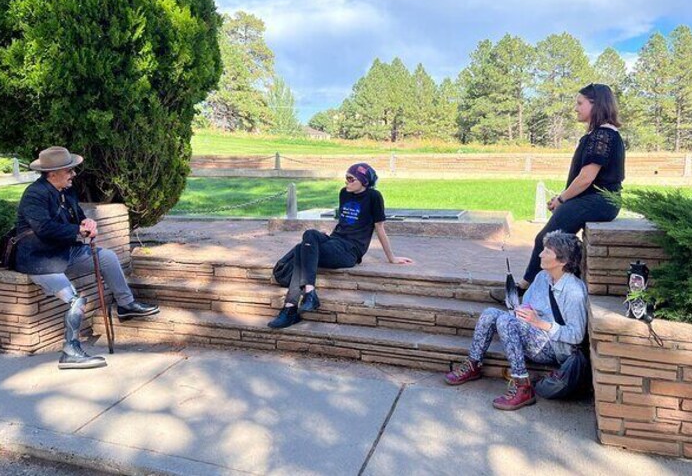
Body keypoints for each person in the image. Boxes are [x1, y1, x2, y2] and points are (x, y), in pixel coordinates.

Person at [15, 146, 159, 370]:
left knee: (108, 257)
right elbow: (43, 228)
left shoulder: (67, 190)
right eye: (69, 170)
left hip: (65, 253)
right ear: (52, 173)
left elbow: (79, 217)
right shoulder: (35, 194)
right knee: (76, 301)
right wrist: (77, 232)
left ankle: (126, 305)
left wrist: (87, 224)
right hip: (41, 260)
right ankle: (70, 352)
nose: (73, 174)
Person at [445, 231, 587, 410]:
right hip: (535, 334)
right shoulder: (542, 277)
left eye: (547, 252)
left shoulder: (574, 291)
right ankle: (473, 364)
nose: (540, 254)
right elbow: (528, 302)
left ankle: (523, 386)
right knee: (490, 313)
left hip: (557, 348)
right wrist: (521, 309)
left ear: (563, 261)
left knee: (506, 322)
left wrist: (539, 323)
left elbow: (577, 335)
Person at [267, 163, 414, 329]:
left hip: (350, 250)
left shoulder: (374, 197)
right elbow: (343, 223)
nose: (347, 182)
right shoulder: (344, 193)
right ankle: (309, 292)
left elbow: (379, 228)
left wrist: (392, 258)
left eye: (351, 179)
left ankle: (290, 309)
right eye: (346, 178)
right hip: (334, 241)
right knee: (309, 235)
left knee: (303, 248)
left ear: (364, 181)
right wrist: (324, 241)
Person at [520, 82, 625, 289]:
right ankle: (554, 286)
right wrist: (561, 198)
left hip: (600, 201)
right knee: (560, 242)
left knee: (545, 240)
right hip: (595, 200)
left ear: (596, 105)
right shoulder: (599, 135)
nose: (575, 108)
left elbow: (587, 177)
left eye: (580, 103)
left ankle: (524, 288)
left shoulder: (602, 135)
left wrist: (562, 199)